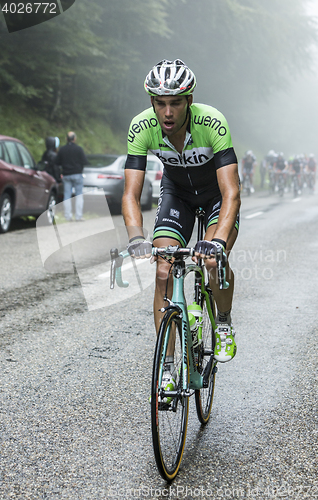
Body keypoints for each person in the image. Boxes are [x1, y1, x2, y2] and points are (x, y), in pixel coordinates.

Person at [122, 59, 240, 391]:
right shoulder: (141, 127)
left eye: (175, 102)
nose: (168, 112)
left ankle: (224, 323)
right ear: (152, 103)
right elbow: (131, 193)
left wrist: (216, 241)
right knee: (163, 268)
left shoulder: (212, 123)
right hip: (178, 196)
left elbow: (232, 191)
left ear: (189, 99)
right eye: (160, 103)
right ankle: (168, 368)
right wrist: (135, 237)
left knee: (213, 261)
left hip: (217, 195)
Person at [55, 131, 88, 221]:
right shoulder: (79, 149)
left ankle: (68, 216)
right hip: (77, 174)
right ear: (74, 139)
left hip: (66, 175)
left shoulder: (62, 149)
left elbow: (57, 162)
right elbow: (85, 161)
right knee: (79, 195)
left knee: (67, 196)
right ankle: (78, 216)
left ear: (66, 139)